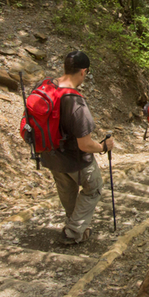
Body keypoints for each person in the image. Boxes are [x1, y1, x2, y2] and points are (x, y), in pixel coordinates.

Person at [40, 50, 114, 245]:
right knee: (93, 188)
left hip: (50, 154)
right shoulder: (75, 102)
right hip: (75, 160)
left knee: (67, 191)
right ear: (83, 72)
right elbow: (85, 144)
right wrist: (104, 147)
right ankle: (73, 231)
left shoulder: (47, 87)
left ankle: (74, 226)